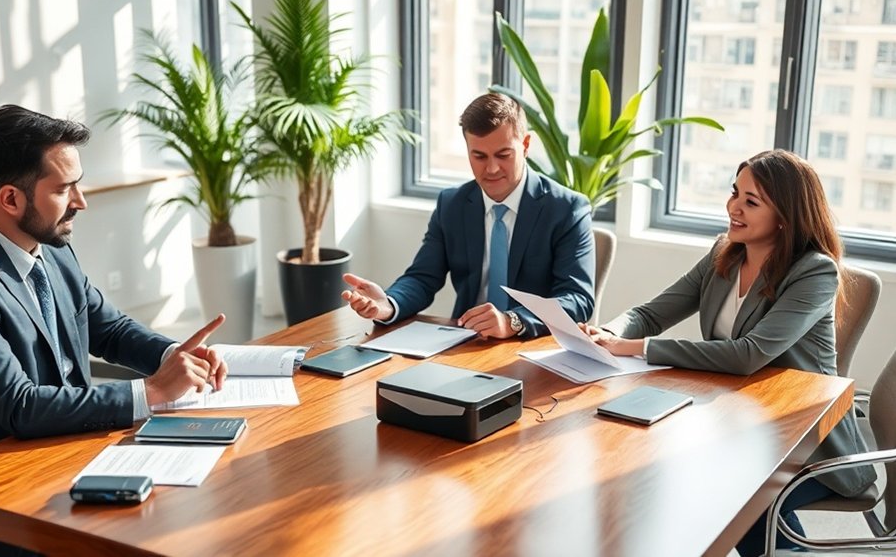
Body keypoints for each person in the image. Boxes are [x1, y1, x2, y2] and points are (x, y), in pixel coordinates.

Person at [0, 105, 230, 556]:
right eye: (64, 189)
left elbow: (109, 328)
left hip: (65, 451)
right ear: (10, 199)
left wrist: (175, 355)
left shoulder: (50, 247)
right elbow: (19, 406)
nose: (81, 201)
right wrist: (152, 391)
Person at [582, 149, 874, 555]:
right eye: (735, 193)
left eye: (751, 202)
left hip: (805, 443)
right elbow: (651, 313)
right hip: (735, 422)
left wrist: (638, 348)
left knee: (734, 504)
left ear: (785, 216)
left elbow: (747, 354)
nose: (733, 207)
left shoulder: (813, 271)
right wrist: (607, 331)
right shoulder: (725, 251)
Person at [342, 92, 595, 338]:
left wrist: (513, 321)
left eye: (503, 155)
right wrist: (388, 304)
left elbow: (577, 298)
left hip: (533, 349)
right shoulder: (452, 204)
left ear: (525, 145)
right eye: (479, 156)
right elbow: (422, 278)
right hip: (466, 342)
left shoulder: (567, 209)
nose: (492, 168)